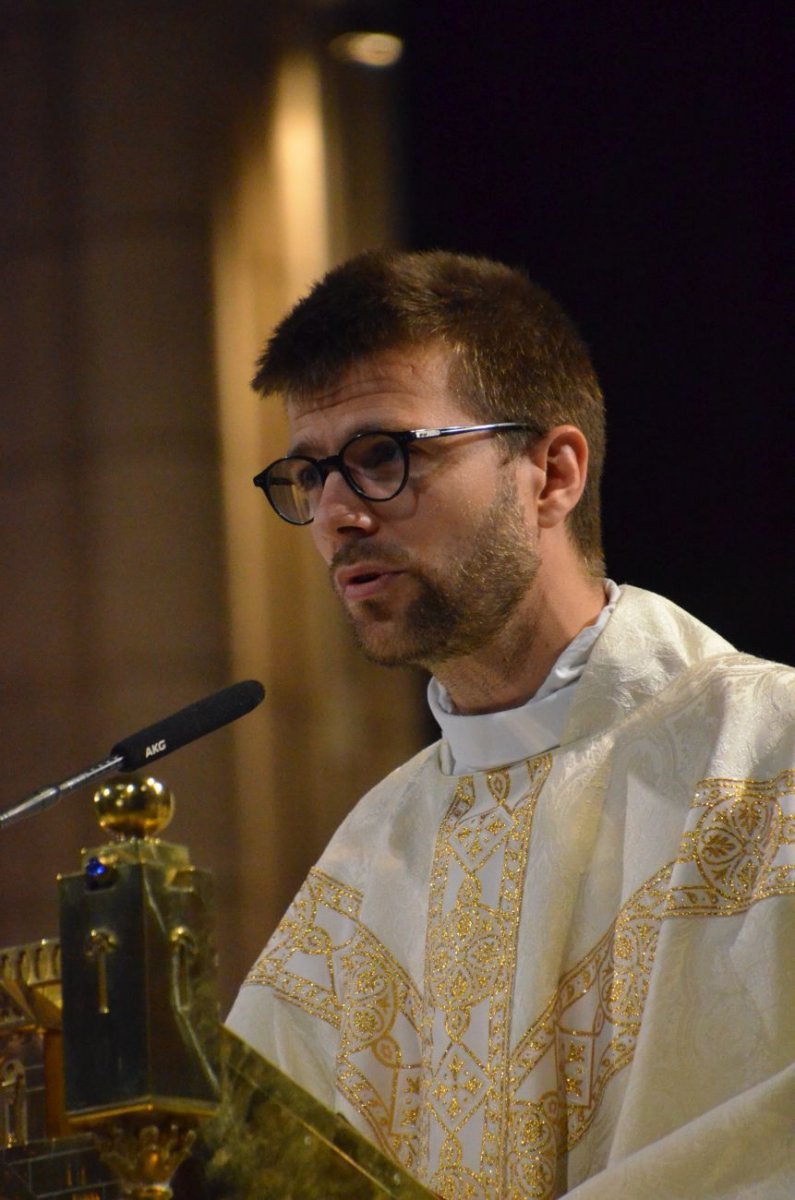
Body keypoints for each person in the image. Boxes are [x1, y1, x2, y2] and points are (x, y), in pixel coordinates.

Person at [226, 250, 794, 1199]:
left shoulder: (767, 757)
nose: (334, 515)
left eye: (381, 457)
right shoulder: (366, 864)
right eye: (308, 473)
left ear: (551, 473)